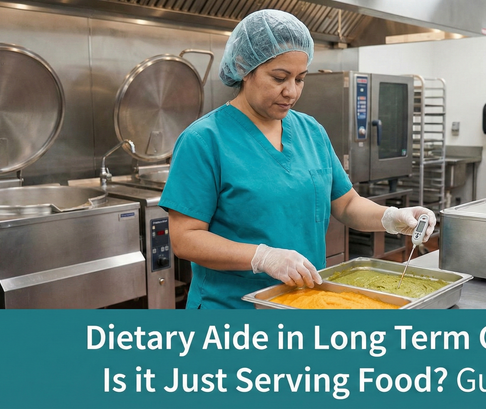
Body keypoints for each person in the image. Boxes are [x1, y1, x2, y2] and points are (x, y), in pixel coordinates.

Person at [159, 9, 436, 309]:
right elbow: (185, 238)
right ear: (243, 67)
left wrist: (391, 218)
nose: (291, 92)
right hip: (231, 309)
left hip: (303, 303)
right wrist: (262, 257)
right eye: (279, 77)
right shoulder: (204, 140)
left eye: (300, 79)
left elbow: (346, 204)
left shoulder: (310, 131)